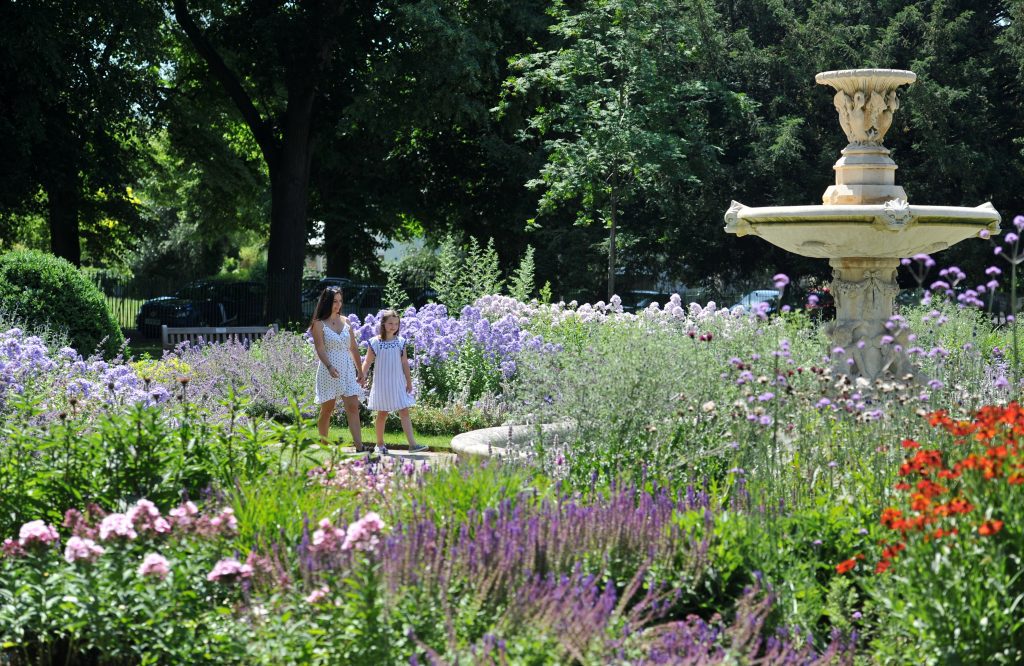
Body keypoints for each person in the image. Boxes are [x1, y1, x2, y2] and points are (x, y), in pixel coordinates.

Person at [361, 309, 427, 455]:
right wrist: (362, 375)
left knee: (404, 411)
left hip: (397, 382)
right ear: (383, 324)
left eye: (396, 324)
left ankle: (413, 445)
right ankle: (379, 444)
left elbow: (404, 363)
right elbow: (367, 361)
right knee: (383, 413)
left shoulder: (400, 342)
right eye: (390, 323)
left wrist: (409, 382)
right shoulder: (375, 342)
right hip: (382, 384)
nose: (393, 326)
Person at [310, 287, 366, 451]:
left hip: (347, 368)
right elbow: (320, 348)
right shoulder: (318, 324)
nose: (338, 304)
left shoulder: (346, 321)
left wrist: (360, 371)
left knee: (353, 407)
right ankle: (324, 445)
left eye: (340, 301)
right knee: (327, 409)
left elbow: (353, 348)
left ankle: (360, 447)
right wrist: (329, 366)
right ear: (326, 302)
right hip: (329, 370)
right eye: (335, 301)